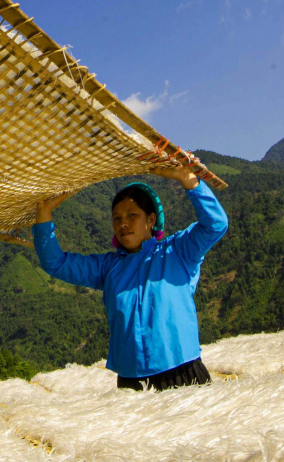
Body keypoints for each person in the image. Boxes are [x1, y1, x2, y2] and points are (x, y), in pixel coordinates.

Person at [33, 167, 228, 391]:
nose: (122, 223)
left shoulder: (177, 252)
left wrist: (188, 180)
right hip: (131, 382)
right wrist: (44, 215)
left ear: (151, 219)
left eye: (131, 215)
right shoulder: (107, 268)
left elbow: (216, 225)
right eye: (117, 218)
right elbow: (56, 263)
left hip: (183, 372)